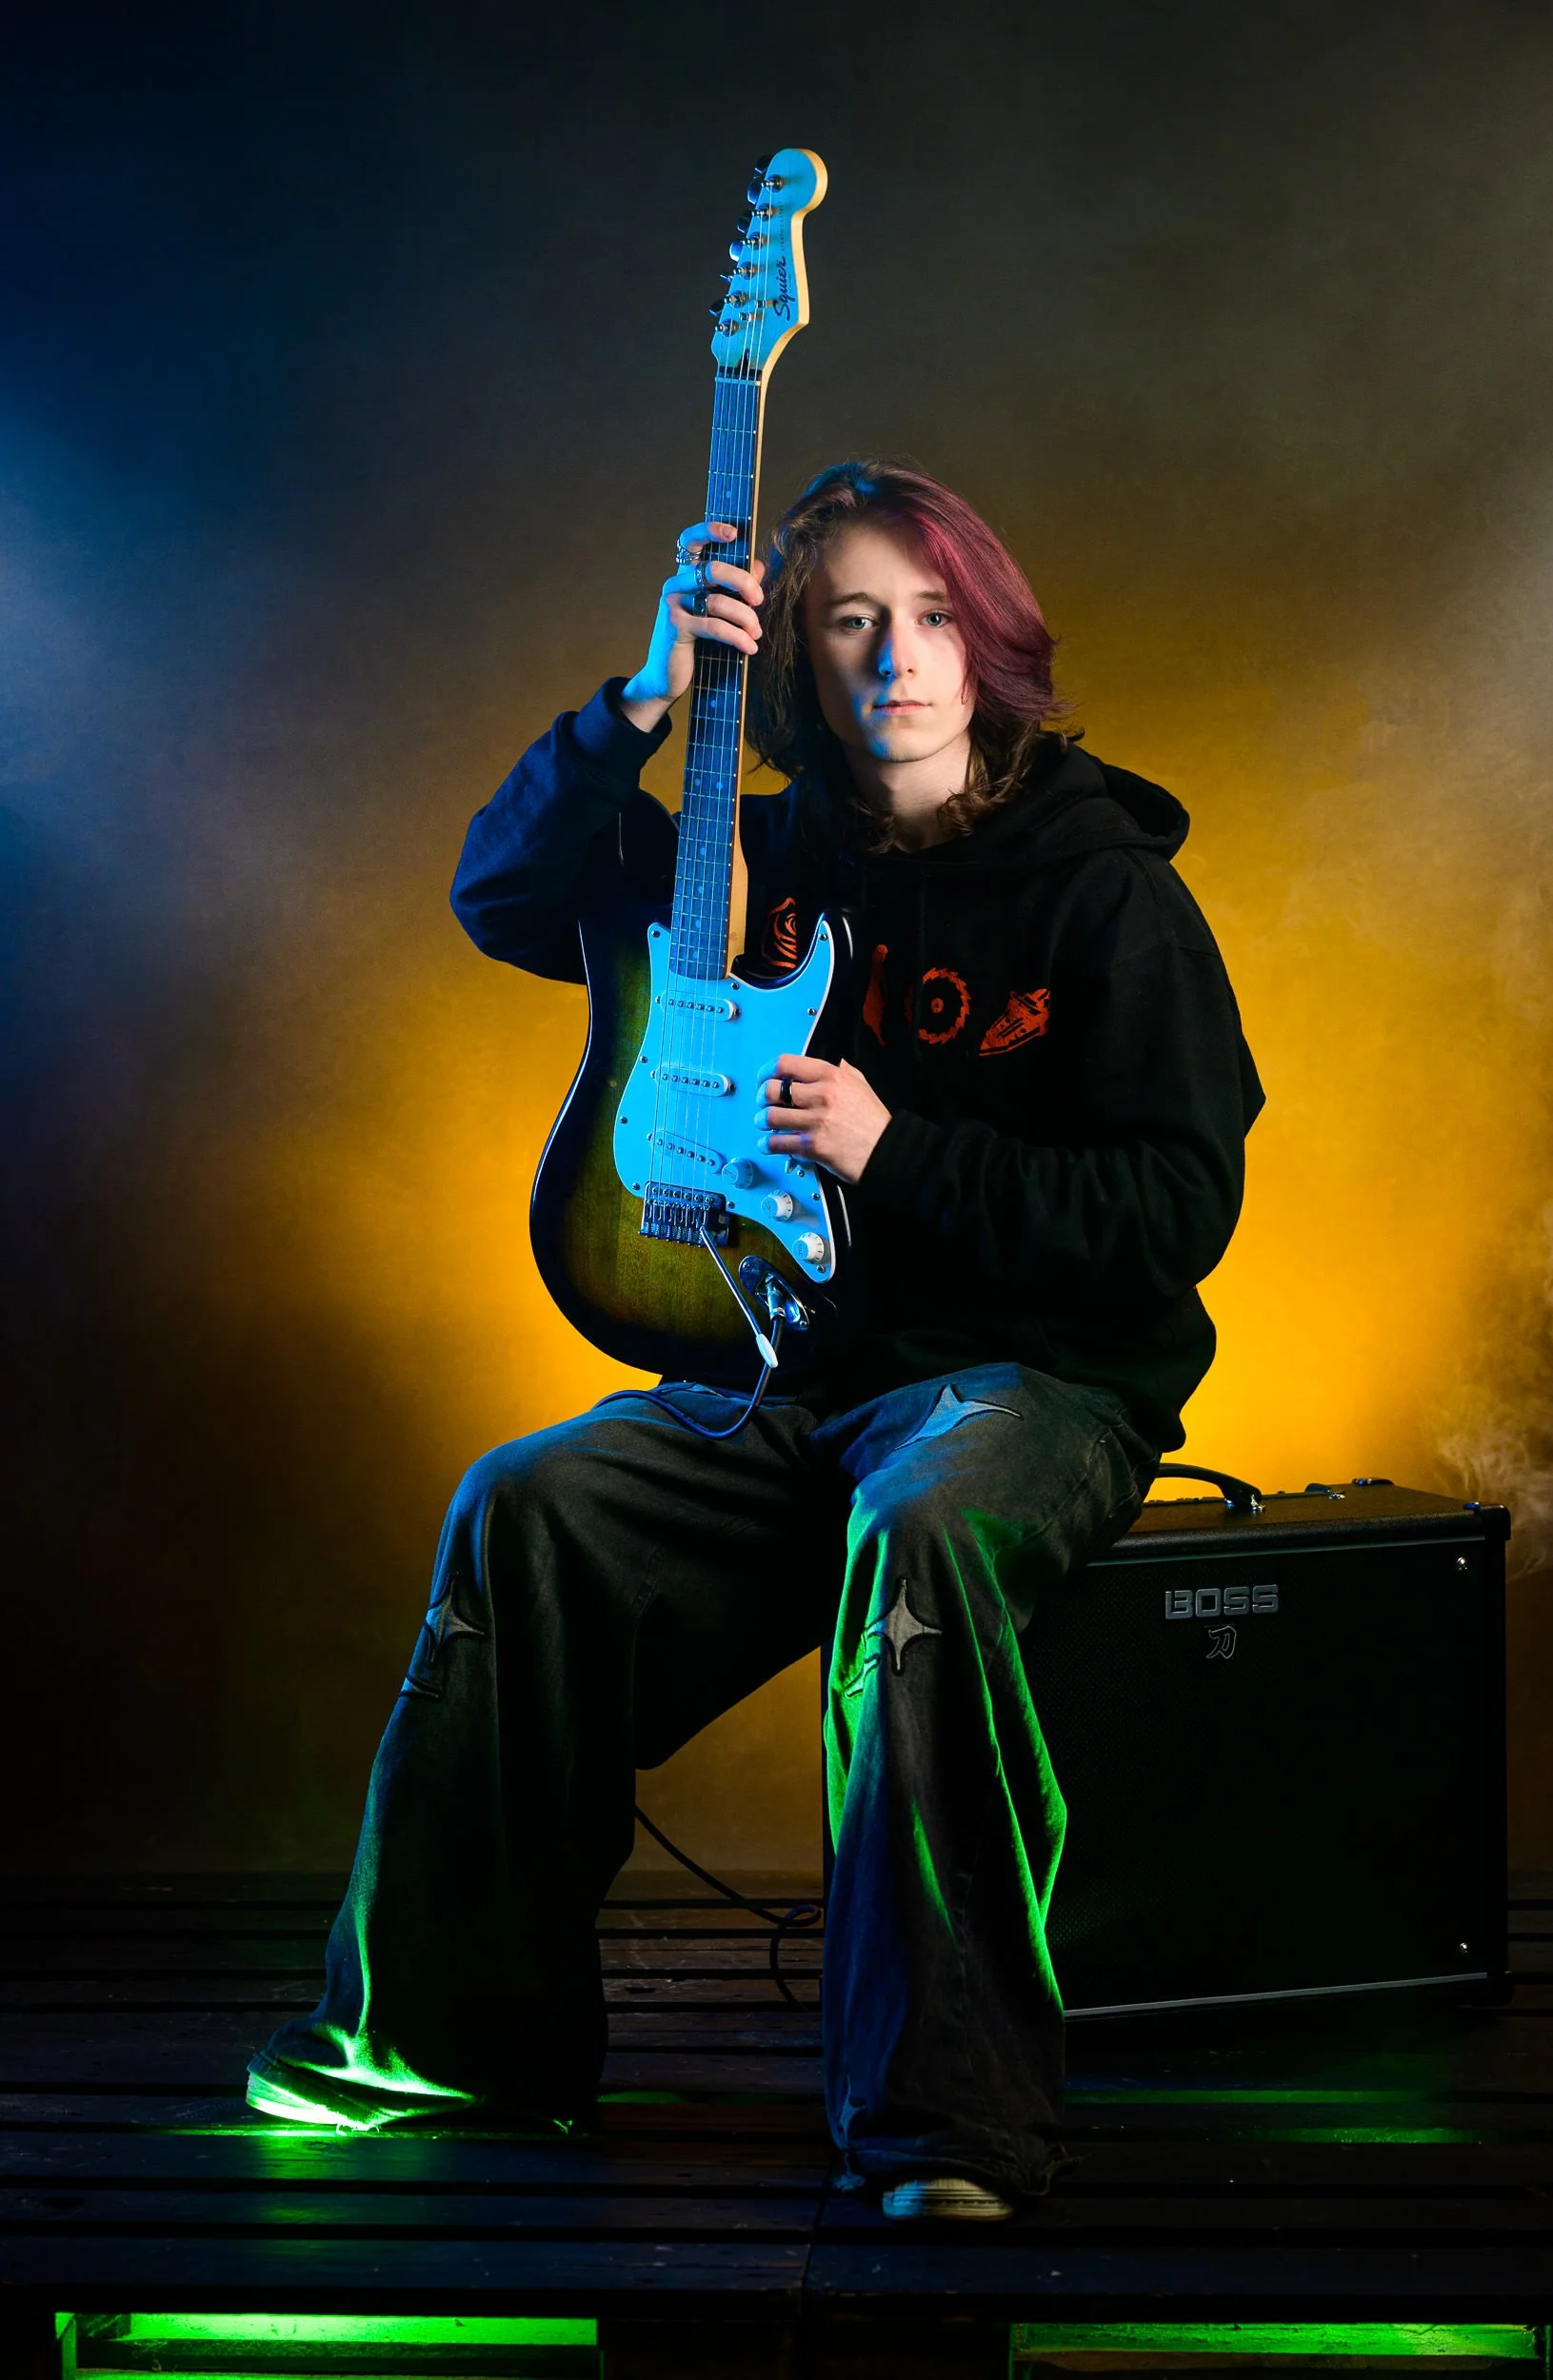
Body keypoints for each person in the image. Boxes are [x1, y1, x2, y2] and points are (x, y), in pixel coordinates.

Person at [245, 461, 1264, 2220]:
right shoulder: (758, 856)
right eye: (852, 619)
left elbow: (1171, 1222)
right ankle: (439, 2052)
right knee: (524, 1507)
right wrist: (642, 698)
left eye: (931, 616)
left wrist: (901, 1151)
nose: (896, 658)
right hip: (788, 1388)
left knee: (924, 1531)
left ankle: (945, 2132)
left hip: (1031, 1391)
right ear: (795, 650)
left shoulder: (1107, 891)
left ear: (989, 638)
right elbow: (504, 898)